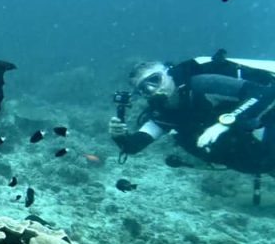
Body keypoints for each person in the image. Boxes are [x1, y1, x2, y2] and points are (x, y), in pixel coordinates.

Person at [109, 50, 275, 174]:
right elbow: (132, 147)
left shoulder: (201, 84)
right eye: (144, 88)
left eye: (155, 80)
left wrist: (225, 122)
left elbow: (263, 93)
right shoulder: (163, 115)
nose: (153, 89)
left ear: (169, 73)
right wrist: (119, 137)